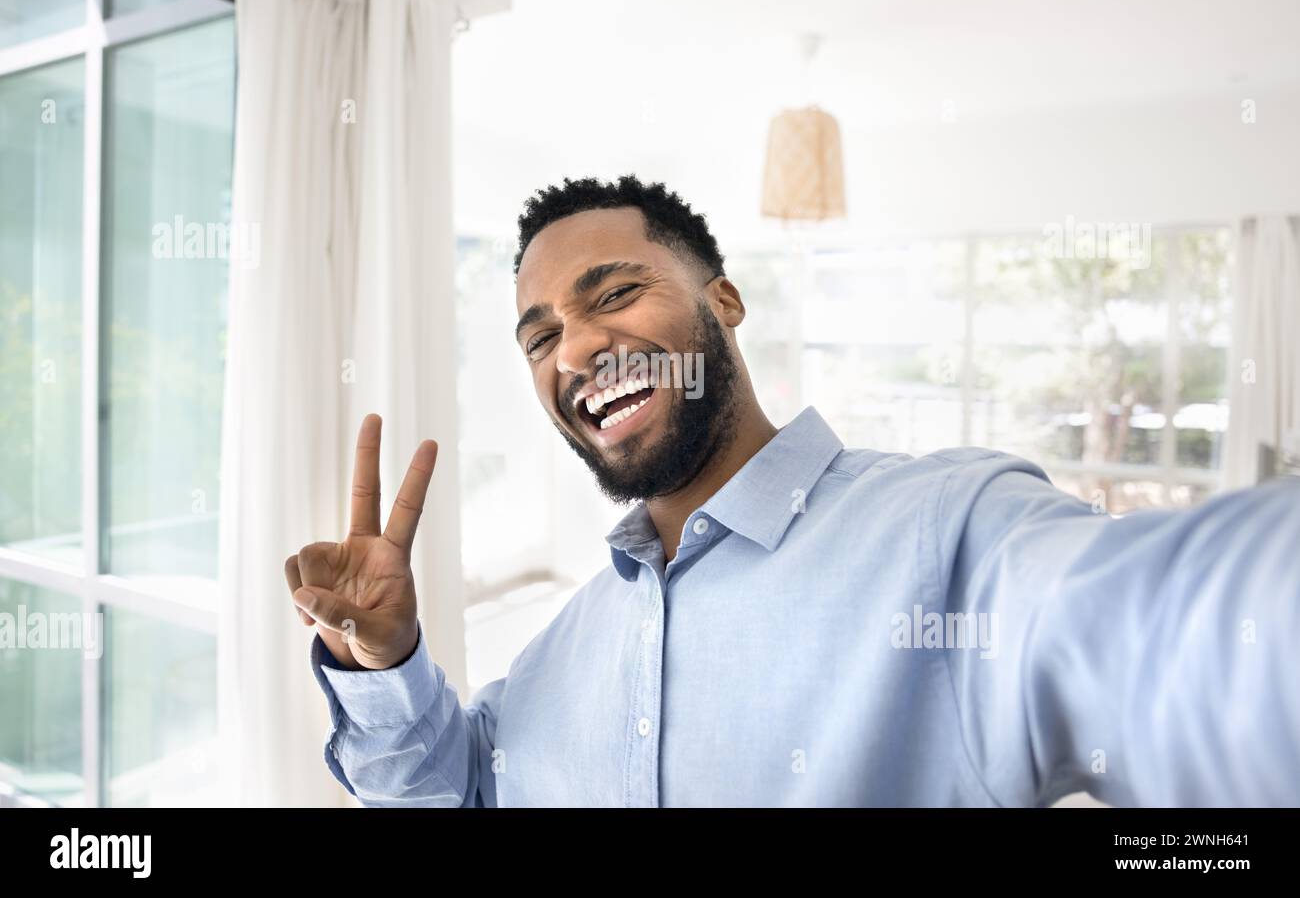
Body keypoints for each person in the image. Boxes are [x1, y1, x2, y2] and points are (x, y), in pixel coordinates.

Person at [285, 175, 1300, 807]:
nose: (578, 348)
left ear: (723, 300)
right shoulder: (565, 646)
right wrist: (386, 663)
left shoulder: (948, 537)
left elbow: (1171, 630)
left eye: (615, 294)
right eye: (541, 335)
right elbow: (455, 793)